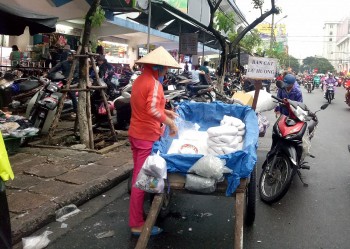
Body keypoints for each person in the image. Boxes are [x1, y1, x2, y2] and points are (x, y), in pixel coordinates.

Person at [128, 46, 180, 236]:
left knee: (137, 177)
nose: (166, 72)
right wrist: (171, 124)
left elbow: (144, 105)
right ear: (158, 67)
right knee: (141, 182)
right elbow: (151, 110)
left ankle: (137, 216)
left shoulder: (140, 80)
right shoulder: (154, 83)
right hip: (145, 136)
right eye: (165, 69)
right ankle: (136, 224)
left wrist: (166, 111)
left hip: (135, 134)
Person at [48, 51, 78, 117]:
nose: (70, 57)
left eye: (71, 56)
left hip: (73, 83)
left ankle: (76, 111)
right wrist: (48, 73)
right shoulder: (64, 63)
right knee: (58, 95)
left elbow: (77, 73)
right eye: (69, 56)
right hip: (64, 81)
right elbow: (55, 68)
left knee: (73, 96)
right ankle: (56, 110)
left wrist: (72, 77)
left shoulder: (76, 63)